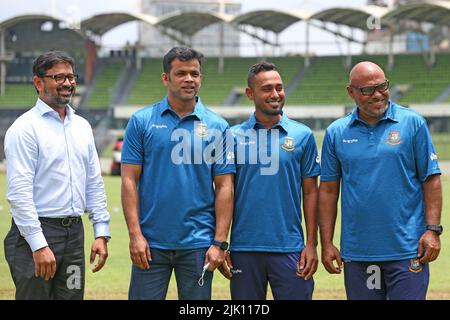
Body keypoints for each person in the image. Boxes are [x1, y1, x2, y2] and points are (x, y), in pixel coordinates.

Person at [319, 61, 442, 300]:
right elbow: (329, 191)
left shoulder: (413, 123)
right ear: (351, 92)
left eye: (382, 86)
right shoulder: (336, 132)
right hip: (358, 253)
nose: (377, 95)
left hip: (407, 249)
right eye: (367, 90)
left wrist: (433, 230)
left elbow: (431, 180)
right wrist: (326, 243)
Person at [121, 46, 235, 300]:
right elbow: (129, 179)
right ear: (166, 78)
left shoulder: (218, 125)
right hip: (150, 243)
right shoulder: (141, 121)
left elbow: (225, 186)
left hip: (198, 245)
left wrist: (219, 243)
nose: (189, 79)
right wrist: (135, 235)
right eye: (181, 73)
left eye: (194, 73)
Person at [3, 51, 111, 300]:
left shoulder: (82, 127)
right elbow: (19, 194)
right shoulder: (24, 129)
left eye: (71, 77)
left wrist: (101, 231)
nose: (67, 83)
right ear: (38, 83)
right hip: (37, 234)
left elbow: (93, 182)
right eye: (58, 77)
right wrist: (38, 245)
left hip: (73, 236)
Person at [218, 62, 320, 300]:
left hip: (290, 249)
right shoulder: (232, 136)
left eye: (279, 87)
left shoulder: (303, 135)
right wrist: (222, 243)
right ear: (250, 93)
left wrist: (311, 244)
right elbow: (224, 191)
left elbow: (311, 193)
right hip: (244, 250)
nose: (275, 94)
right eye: (266, 88)